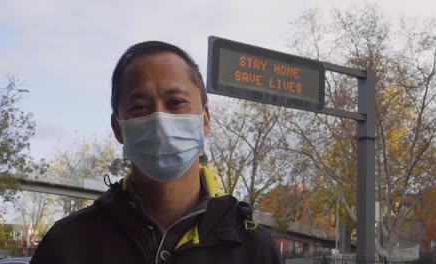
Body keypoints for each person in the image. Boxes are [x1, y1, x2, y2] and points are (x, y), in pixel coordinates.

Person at [30, 41, 282, 264]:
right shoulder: (68, 245)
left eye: (176, 103)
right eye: (140, 107)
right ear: (118, 128)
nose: (160, 119)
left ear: (205, 119)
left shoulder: (254, 248)